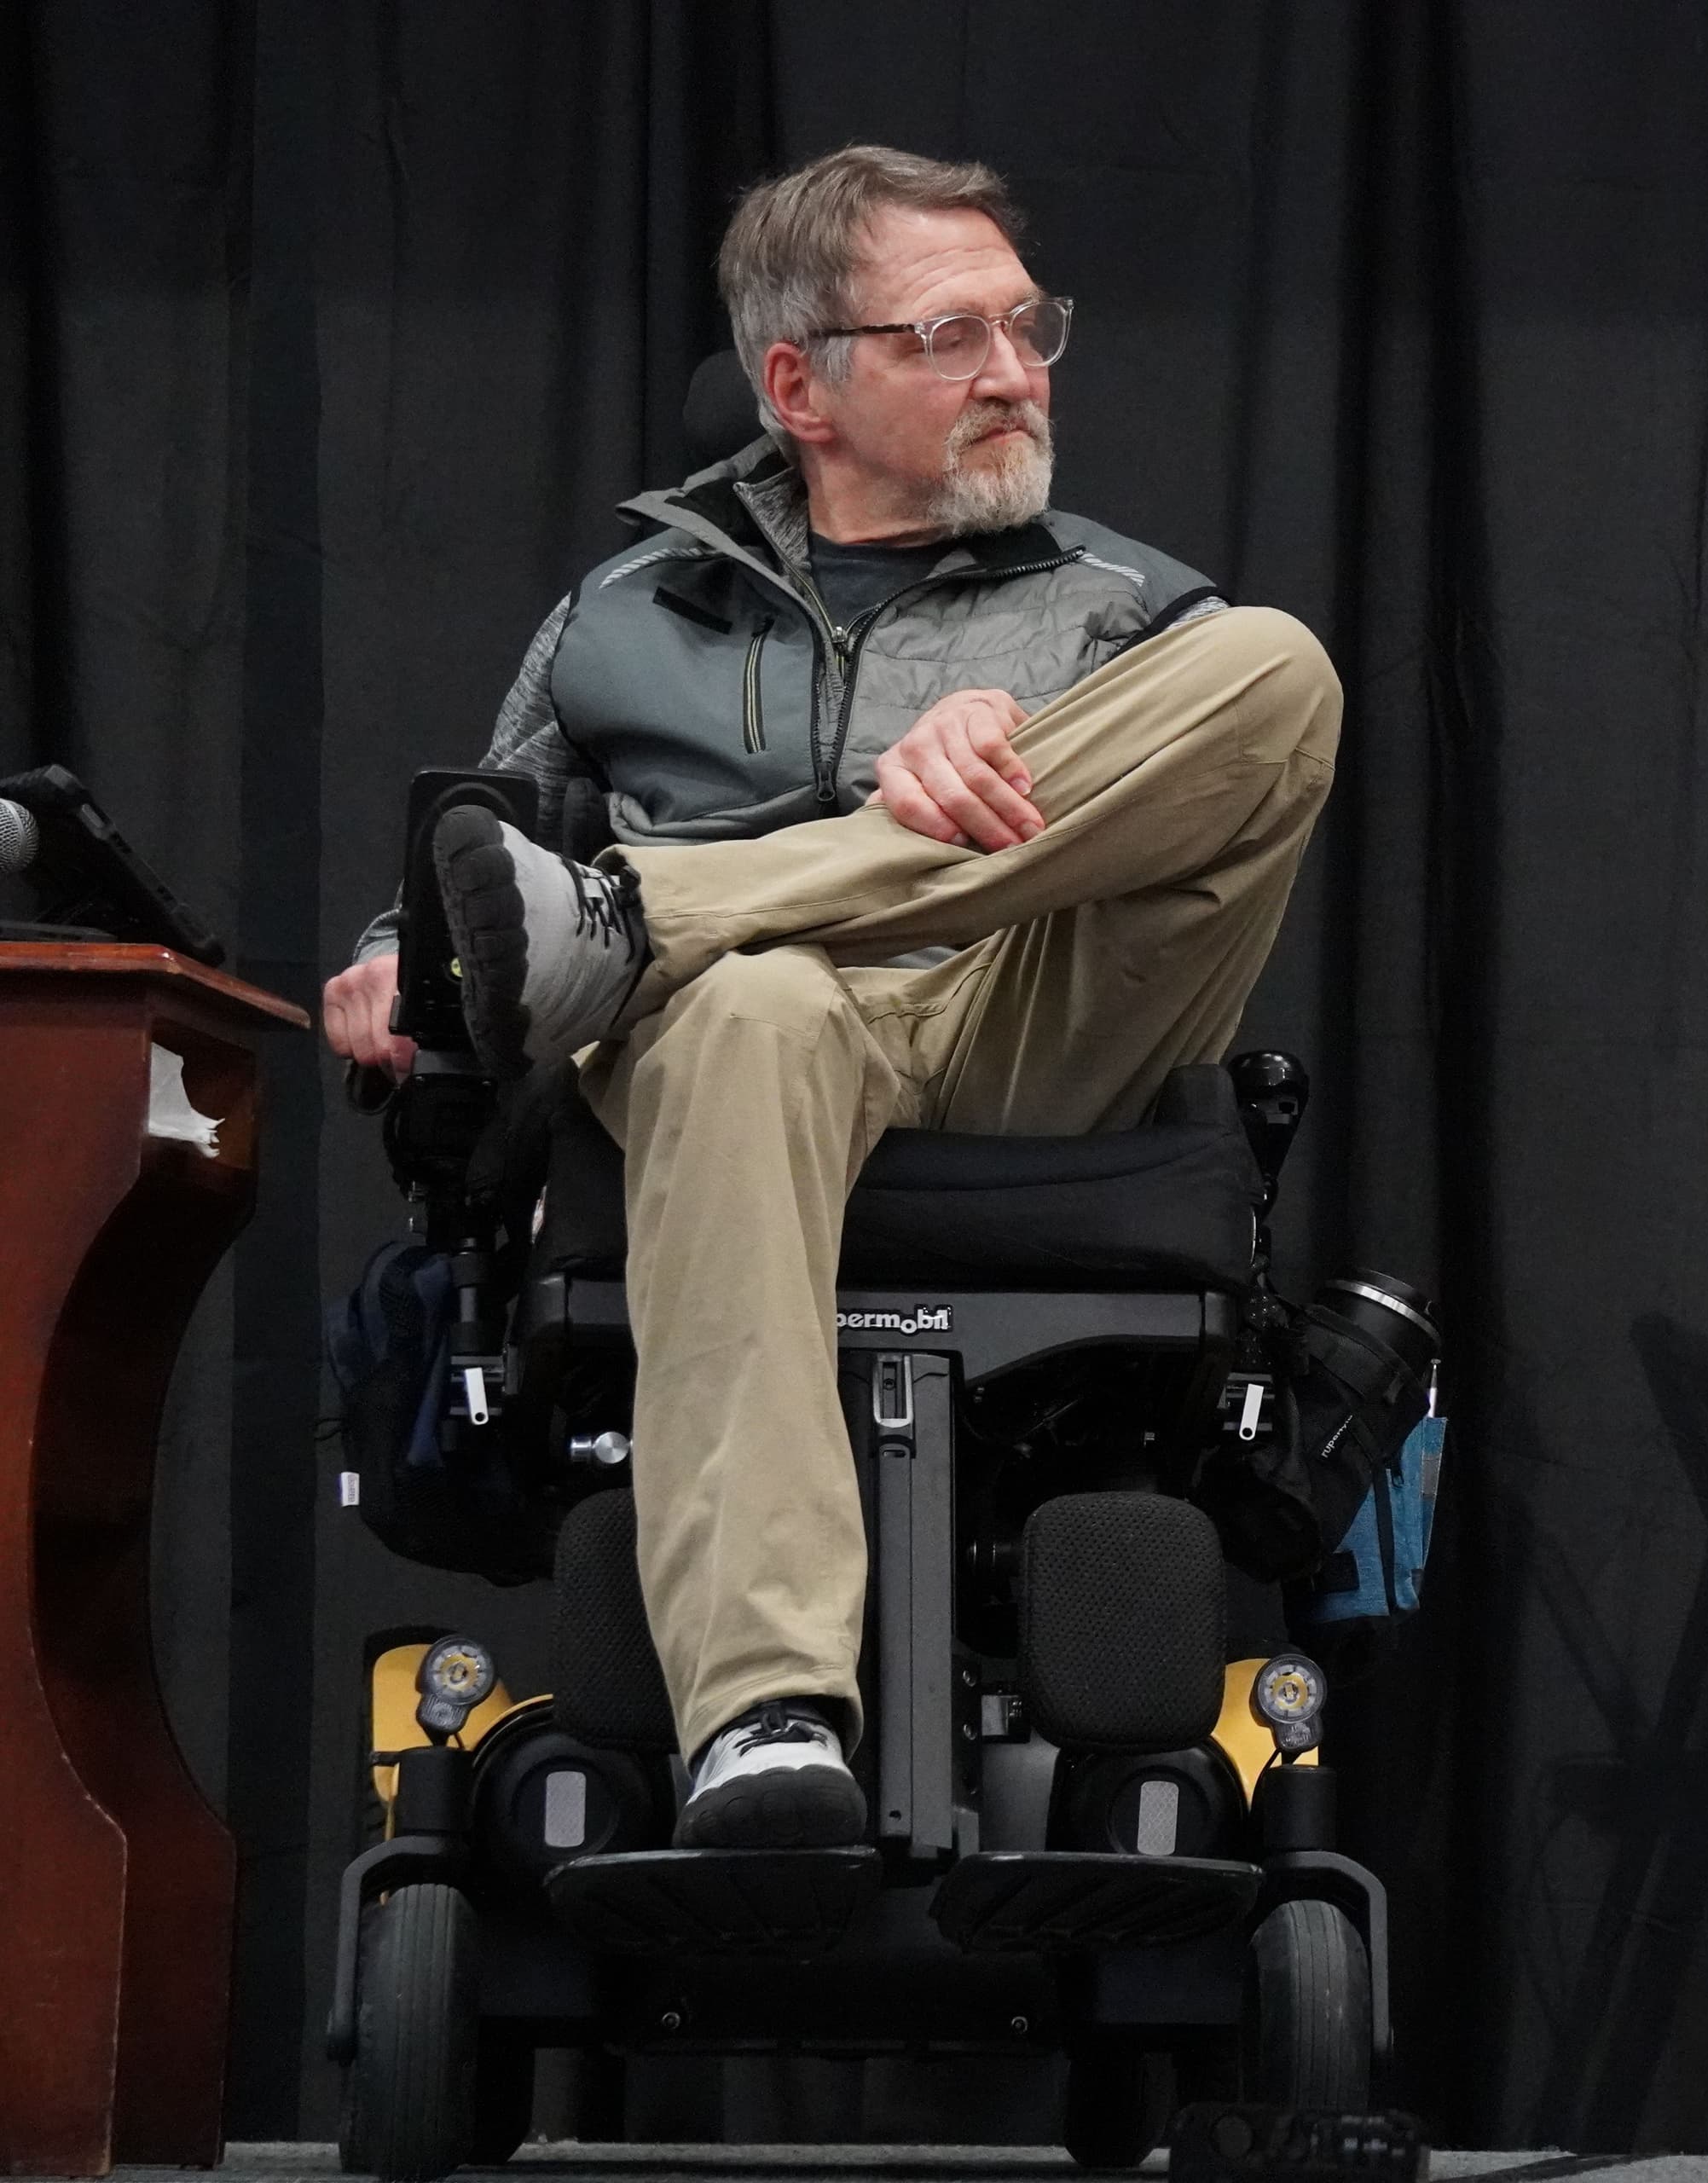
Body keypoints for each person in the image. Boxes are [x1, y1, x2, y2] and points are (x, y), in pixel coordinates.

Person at [319, 146, 1340, 1854]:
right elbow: (488, 867)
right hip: (731, 1062)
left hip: (1022, 1019)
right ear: (802, 382)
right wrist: (390, 958)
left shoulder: (1121, 605)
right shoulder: (621, 618)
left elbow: (1218, 769)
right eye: (955, 335)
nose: (1018, 372)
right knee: (752, 1007)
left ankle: (671, 912)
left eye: (1030, 327)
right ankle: (765, 1711)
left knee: (1283, 671)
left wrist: (1018, 764)